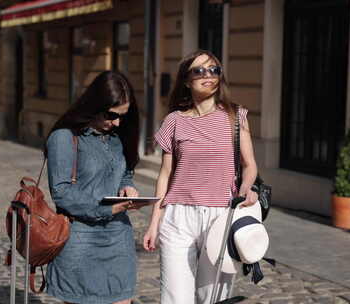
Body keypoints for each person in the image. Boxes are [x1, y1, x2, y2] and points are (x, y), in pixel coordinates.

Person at [142, 50, 260, 304]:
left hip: (220, 215)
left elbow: (250, 165)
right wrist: (154, 223)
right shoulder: (173, 121)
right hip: (178, 216)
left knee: (214, 296)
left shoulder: (235, 117)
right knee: (174, 297)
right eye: (200, 70)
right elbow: (164, 175)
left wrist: (244, 189)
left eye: (214, 70)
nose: (208, 75)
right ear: (186, 80)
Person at [45, 71, 144, 304]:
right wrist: (108, 210)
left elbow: (125, 172)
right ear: (94, 105)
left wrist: (127, 187)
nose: (117, 122)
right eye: (111, 115)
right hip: (80, 240)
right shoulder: (64, 137)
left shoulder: (116, 137)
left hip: (118, 238)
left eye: (122, 116)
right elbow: (61, 193)